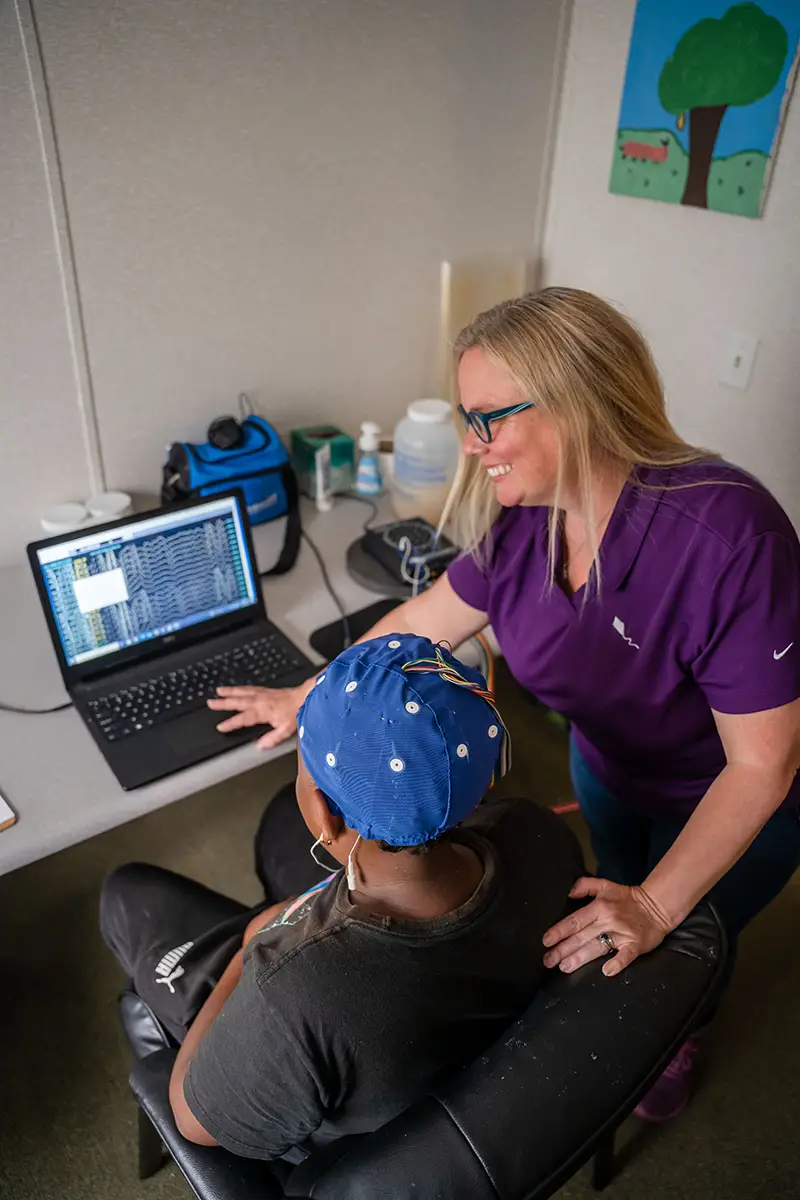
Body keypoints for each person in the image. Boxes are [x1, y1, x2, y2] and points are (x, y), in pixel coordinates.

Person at [209, 288, 800, 1124]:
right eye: (465, 417)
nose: (469, 444)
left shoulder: (731, 537)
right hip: (610, 771)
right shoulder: (527, 522)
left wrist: (662, 906)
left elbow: (763, 762)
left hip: (736, 802)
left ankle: (683, 1029)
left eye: (489, 418)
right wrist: (313, 697)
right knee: (609, 891)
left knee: (682, 948)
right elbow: (421, 622)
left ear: (578, 402)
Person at [101, 634, 583, 1165]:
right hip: (438, 1062)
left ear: (327, 816)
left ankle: (160, 1017)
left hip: (318, 1079)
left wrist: (249, 949)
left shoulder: (294, 994)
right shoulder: (537, 834)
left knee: (127, 891)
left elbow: (192, 1119)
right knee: (277, 829)